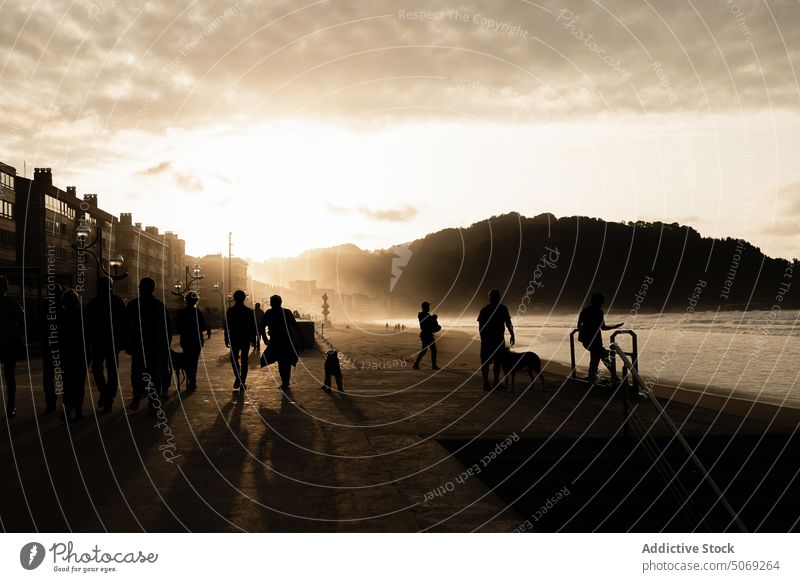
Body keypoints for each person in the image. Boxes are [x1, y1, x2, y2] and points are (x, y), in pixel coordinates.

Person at [126, 277, 172, 410]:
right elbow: (167, 328)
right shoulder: (159, 306)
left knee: (137, 373)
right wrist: (166, 346)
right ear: (153, 289)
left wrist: (128, 344)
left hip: (139, 346)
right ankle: (152, 401)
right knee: (154, 374)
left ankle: (137, 396)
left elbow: (126, 327)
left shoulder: (133, 305)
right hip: (155, 347)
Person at [85, 276, 127, 414]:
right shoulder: (118, 302)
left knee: (97, 370)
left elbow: (87, 324)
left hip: (99, 342)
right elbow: (124, 323)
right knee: (112, 371)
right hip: (111, 342)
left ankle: (105, 393)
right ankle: (108, 396)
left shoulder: (94, 302)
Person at [577, 292, 623, 384]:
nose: (602, 304)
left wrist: (585, 333)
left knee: (597, 357)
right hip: (595, 341)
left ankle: (593, 376)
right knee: (603, 356)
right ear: (596, 301)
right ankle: (613, 377)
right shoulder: (599, 312)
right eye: (601, 302)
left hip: (586, 340)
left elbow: (578, 326)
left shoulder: (585, 310)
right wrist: (615, 326)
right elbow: (603, 327)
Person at [260, 294, 302, 392]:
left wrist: (265, 337)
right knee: (286, 362)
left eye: (271, 302)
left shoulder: (269, 313)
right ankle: (285, 382)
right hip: (286, 341)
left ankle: (285, 382)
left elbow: (262, 326)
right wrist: (301, 338)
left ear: (274, 303)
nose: (270, 304)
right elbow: (295, 326)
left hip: (276, 341)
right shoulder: (287, 312)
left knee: (281, 361)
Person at [59, 289, 88, 422]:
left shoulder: (61, 316)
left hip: (65, 354)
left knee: (67, 383)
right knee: (79, 383)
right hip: (80, 353)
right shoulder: (82, 316)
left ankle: (67, 410)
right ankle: (78, 410)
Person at [477, 289, 515, 391]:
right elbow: (481, 327)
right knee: (490, 362)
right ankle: (490, 382)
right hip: (493, 340)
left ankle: (492, 382)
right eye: (493, 296)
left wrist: (512, 334)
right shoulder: (496, 309)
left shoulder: (493, 309)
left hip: (494, 340)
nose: (494, 298)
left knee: (493, 362)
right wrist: (512, 334)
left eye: (495, 296)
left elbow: (508, 323)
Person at [176, 291, 210, 392]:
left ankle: (191, 380)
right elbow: (204, 326)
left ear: (186, 300)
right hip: (196, 340)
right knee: (194, 361)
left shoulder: (182, 313)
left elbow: (177, 327)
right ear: (196, 301)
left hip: (186, 340)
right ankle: (192, 381)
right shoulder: (198, 312)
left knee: (187, 360)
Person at [0, 276, 23, 419]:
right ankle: (11, 406)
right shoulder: (12, 303)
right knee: (9, 377)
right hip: (9, 344)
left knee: (9, 376)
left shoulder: (11, 304)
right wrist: (14, 333)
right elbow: (22, 322)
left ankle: (11, 406)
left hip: (7, 344)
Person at [225, 290, 257, 391]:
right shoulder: (248, 311)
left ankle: (238, 378)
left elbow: (227, 326)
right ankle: (242, 381)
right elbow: (252, 326)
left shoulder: (231, 310)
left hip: (234, 337)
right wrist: (253, 338)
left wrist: (226, 337)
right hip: (245, 338)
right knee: (244, 360)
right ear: (244, 298)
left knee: (234, 359)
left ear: (234, 298)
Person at [413, 301, 440, 370]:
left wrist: (433, 319)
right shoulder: (422, 315)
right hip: (426, 335)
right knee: (430, 350)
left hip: (427, 334)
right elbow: (426, 324)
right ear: (425, 307)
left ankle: (417, 364)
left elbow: (429, 322)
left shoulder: (426, 315)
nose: (429, 308)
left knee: (428, 350)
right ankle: (432, 365)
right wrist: (433, 318)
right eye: (428, 307)